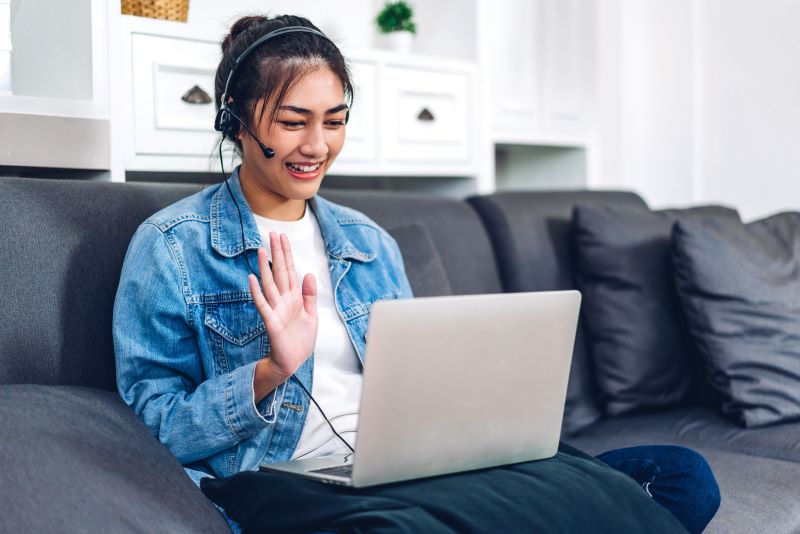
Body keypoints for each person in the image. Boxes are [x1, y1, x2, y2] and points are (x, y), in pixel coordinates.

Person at [113, 14, 720, 534]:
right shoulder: (172, 247)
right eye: (293, 121)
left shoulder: (368, 243)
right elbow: (150, 428)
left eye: (335, 119)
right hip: (294, 482)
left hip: (411, 466)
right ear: (235, 122)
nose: (318, 145)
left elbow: (417, 389)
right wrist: (270, 372)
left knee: (683, 480)